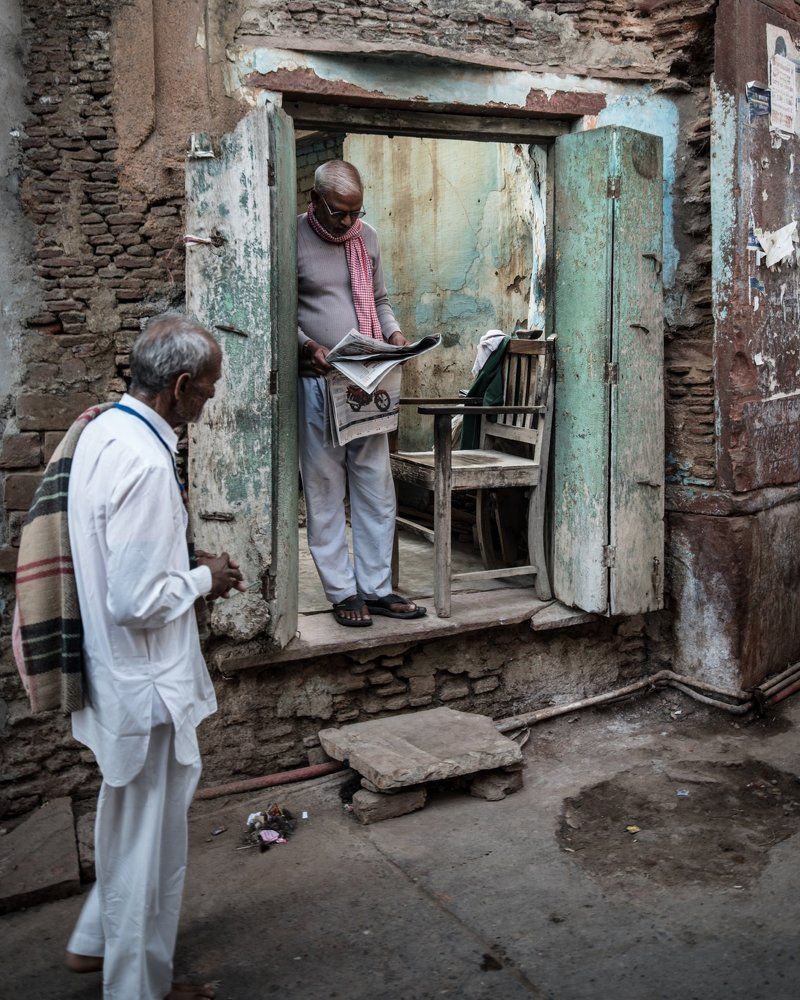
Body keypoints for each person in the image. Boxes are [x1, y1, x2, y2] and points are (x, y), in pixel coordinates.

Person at [64, 314, 245, 999]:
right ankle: (136, 988)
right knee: (152, 844)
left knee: (130, 825)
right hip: (146, 686)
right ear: (179, 385)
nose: (211, 398)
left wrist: (182, 559)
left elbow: (123, 555)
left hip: (120, 677)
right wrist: (204, 579)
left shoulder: (104, 430)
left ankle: (93, 940)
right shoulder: (144, 462)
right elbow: (135, 600)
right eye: (209, 387)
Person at [297, 159, 426, 627]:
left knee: (375, 486)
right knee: (325, 489)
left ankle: (376, 587)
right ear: (314, 200)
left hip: (366, 382)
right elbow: (279, 307)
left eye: (356, 211)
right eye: (339, 212)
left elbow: (381, 300)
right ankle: (341, 591)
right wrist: (306, 345)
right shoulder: (292, 237)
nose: (348, 221)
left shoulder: (366, 238)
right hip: (318, 381)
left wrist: (394, 337)